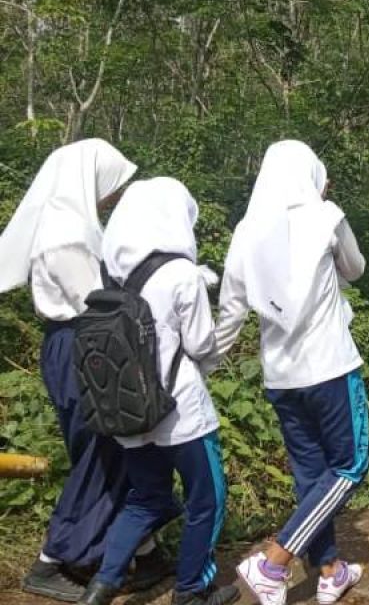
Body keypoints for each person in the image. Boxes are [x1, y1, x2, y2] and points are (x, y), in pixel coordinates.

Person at [0, 139, 171, 602]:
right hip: (87, 347)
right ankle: (51, 561)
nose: (113, 195)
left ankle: (146, 553)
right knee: (102, 450)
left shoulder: (68, 225)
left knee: (113, 450)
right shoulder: (68, 234)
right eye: (109, 185)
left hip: (81, 346)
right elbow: (96, 303)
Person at [214, 140, 368, 605]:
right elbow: (356, 269)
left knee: (311, 474)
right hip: (330, 368)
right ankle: (272, 563)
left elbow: (230, 313)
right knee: (351, 466)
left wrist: (197, 367)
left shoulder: (246, 231)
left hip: (280, 377)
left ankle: (331, 570)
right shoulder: (325, 216)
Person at [78, 178, 237, 605]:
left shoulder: (109, 276)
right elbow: (202, 344)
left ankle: (100, 589)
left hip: (127, 413)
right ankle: (191, 590)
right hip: (181, 412)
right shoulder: (181, 274)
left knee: (145, 500)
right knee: (207, 499)